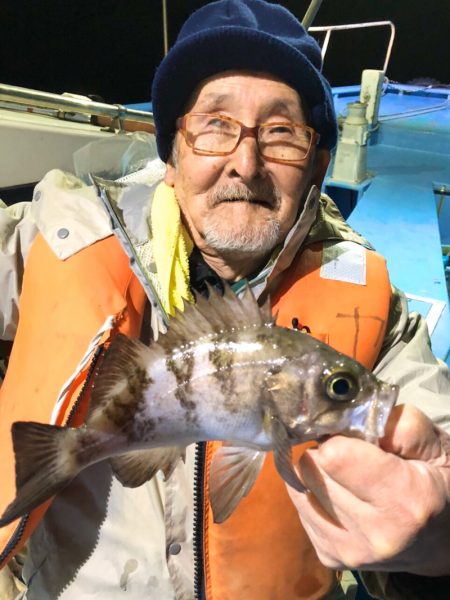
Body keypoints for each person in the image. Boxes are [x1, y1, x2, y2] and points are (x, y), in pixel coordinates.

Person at [0, 1, 449, 599]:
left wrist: (439, 535)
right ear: (172, 155)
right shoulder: (52, 237)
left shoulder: (375, 309)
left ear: (317, 165)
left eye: (281, 132)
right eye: (214, 125)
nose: (245, 162)